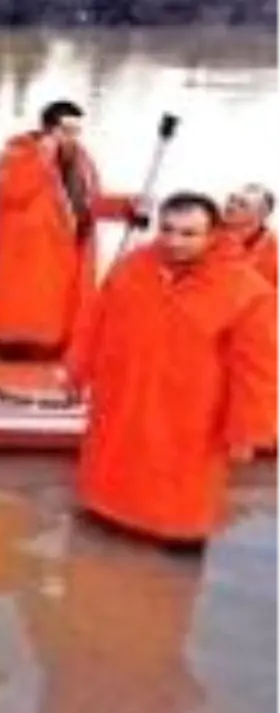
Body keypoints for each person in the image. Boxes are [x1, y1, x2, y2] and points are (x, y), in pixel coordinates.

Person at [65, 191, 280, 546]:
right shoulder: (131, 267)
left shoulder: (246, 290)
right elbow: (94, 322)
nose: (174, 241)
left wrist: (248, 430)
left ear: (213, 234)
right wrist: (76, 370)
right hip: (123, 401)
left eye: (188, 233)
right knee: (108, 492)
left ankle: (172, 562)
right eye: (167, 229)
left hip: (191, 418)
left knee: (177, 509)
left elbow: (259, 369)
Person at [0, 99, 144, 360]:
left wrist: (125, 207)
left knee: (62, 326)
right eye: (66, 130)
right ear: (47, 129)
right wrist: (43, 155)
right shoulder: (17, 157)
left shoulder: (81, 163)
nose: (73, 138)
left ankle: (62, 362)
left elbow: (88, 204)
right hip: (29, 266)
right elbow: (13, 192)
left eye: (77, 131)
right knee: (26, 330)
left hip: (69, 267)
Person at [222, 184, 280, 288]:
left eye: (242, 205)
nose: (231, 206)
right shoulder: (205, 235)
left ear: (262, 214)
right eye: (231, 200)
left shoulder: (276, 247)